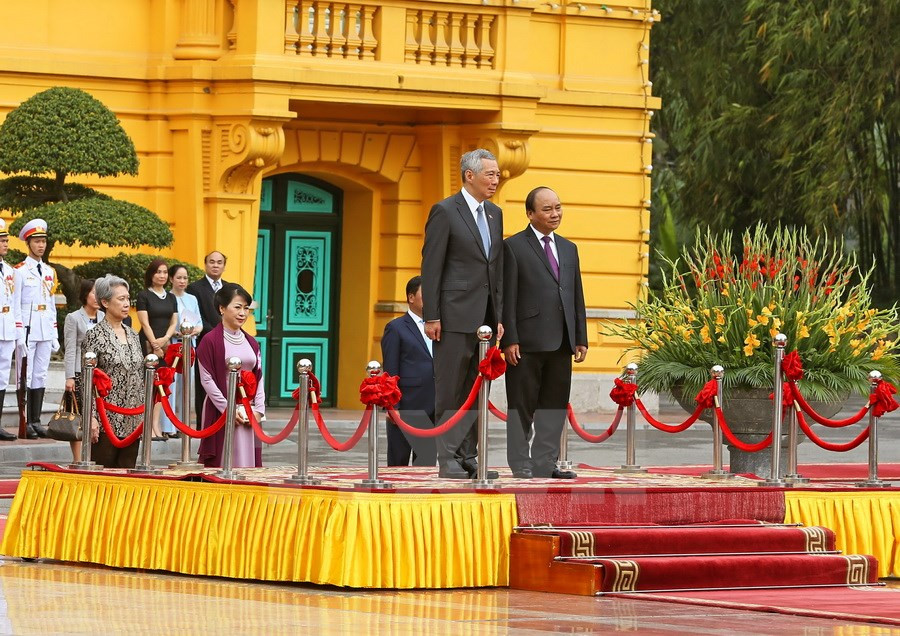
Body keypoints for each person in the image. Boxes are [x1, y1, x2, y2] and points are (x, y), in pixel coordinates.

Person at [421, 148, 504, 479]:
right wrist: (432, 315)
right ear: (469, 176)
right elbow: (432, 265)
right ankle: (448, 458)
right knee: (452, 389)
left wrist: (498, 316)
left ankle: (470, 454)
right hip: (453, 316)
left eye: (498, 175)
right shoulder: (445, 211)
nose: (496, 180)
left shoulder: (495, 214)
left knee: (477, 387)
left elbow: (493, 268)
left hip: (484, 317)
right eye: (490, 174)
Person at [500, 187, 587, 479]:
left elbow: (576, 294)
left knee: (554, 407)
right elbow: (506, 297)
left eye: (558, 208)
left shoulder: (569, 248)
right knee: (521, 406)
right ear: (530, 214)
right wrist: (509, 338)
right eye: (548, 209)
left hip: (562, 340)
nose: (555, 214)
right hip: (525, 342)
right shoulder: (513, 247)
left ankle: (546, 462)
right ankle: (520, 462)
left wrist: (580, 337)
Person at [196, 283, 264, 468]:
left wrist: (259, 409)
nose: (243, 313)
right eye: (237, 307)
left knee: (248, 462)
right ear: (222, 308)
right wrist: (228, 410)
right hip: (221, 410)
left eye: (246, 308)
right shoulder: (209, 341)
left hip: (248, 411)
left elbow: (259, 377)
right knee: (225, 462)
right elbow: (207, 379)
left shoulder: (252, 342)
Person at [82, 275, 145, 469]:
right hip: (105, 419)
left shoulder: (133, 334)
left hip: (133, 417)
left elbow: (140, 375)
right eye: (121, 299)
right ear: (105, 302)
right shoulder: (95, 335)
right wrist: (91, 417)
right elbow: (86, 380)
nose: (126, 304)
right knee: (104, 473)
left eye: (127, 298)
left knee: (128, 471)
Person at [380, 276, 437, 466]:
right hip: (406, 405)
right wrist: (391, 406)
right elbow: (390, 368)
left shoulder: (438, 327)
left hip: (433, 404)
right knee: (398, 463)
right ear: (411, 297)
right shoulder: (396, 328)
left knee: (426, 462)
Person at [13, 218, 59, 439]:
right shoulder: (19, 271)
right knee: (26, 375)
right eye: (37, 241)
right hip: (28, 329)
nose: (41, 245)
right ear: (28, 243)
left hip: (44, 329)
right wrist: (19, 331)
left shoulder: (49, 271)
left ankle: (36, 420)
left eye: (43, 241)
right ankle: (25, 421)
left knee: (40, 374)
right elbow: (16, 303)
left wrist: (54, 332)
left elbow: (50, 304)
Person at [158, 264, 202, 439]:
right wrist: (175, 333)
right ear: (171, 279)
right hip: (173, 345)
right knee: (171, 385)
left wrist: (192, 331)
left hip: (188, 345)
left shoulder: (192, 299)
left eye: (185, 278)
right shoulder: (167, 298)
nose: (182, 281)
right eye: (179, 277)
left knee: (186, 386)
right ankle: (169, 426)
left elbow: (199, 323)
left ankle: (183, 424)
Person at [136, 258, 178, 440]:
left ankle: (156, 425)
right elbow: (144, 323)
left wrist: (166, 339)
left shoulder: (171, 297)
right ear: (151, 275)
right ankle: (146, 427)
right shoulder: (144, 296)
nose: (162, 276)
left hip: (165, 343)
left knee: (162, 386)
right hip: (148, 343)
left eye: (164, 272)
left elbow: (174, 321)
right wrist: (155, 344)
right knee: (149, 386)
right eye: (158, 272)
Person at [63, 278, 103, 462]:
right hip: (80, 373)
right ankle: (78, 459)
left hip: (100, 373)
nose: (97, 297)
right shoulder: (73, 318)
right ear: (85, 294)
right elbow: (70, 349)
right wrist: (70, 377)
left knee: (98, 414)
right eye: (93, 292)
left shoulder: (105, 317)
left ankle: (94, 455)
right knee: (78, 415)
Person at [187, 251, 228, 427]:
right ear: (205, 264)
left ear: (224, 266)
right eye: (212, 262)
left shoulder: (230, 288)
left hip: (227, 341)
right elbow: (196, 316)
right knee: (204, 383)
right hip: (205, 340)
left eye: (219, 262)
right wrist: (215, 331)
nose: (215, 265)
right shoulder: (194, 288)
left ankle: (223, 420)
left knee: (224, 381)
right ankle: (202, 425)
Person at [0, 220, 20, 441]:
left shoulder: (9, 271)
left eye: (6, 240)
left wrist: (17, 331)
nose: (6, 244)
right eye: (3, 241)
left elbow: (14, 302)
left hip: (6, 328)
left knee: (2, 378)